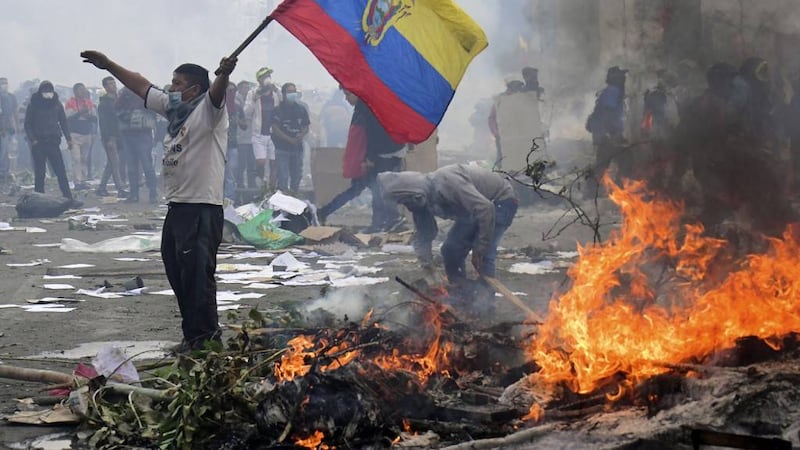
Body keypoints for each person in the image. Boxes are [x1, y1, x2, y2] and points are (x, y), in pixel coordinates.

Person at [81, 49, 237, 351]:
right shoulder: (174, 109)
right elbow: (142, 86)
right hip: (178, 207)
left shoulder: (210, 111)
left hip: (201, 208)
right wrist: (110, 64)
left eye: (177, 83)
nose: (171, 88)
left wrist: (224, 74)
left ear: (194, 89)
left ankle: (204, 339)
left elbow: (217, 93)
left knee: (197, 276)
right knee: (177, 270)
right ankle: (192, 334)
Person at [378, 164, 518, 295]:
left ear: (414, 193)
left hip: (500, 201)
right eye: (402, 203)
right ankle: (461, 296)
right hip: (472, 211)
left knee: (484, 256)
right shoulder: (420, 201)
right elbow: (423, 237)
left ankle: (486, 303)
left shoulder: (448, 182)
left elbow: (486, 209)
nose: (408, 206)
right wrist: (430, 270)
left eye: (405, 201)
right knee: (450, 250)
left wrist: (480, 247)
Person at [316, 89, 405, 233]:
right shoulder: (365, 107)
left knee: (376, 189)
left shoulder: (368, 109)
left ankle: (385, 221)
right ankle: (388, 220)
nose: (346, 99)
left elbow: (372, 134)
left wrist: (369, 158)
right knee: (372, 188)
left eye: (348, 94)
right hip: (382, 154)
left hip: (382, 155)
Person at [23, 81, 81, 206]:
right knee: (40, 173)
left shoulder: (57, 104)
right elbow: (27, 124)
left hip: (53, 142)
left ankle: (68, 198)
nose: (48, 93)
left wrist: (69, 139)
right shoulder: (34, 105)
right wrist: (33, 139)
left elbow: (63, 122)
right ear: (40, 91)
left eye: (50, 90)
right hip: (39, 143)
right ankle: (39, 199)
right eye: (45, 90)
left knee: (61, 171)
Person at [586, 66, 628, 189]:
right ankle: (594, 189)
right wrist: (614, 133)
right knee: (623, 161)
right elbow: (608, 113)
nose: (624, 79)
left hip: (604, 134)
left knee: (604, 163)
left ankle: (592, 189)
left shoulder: (613, 90)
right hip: (607, 135)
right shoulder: (613, 91)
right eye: (622, 77)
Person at [117, 86, 158, 203]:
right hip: (129, 133)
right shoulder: (124, 95)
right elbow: (116, 109)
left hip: (142, 133)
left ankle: (152, 193)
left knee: (146, 165)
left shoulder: (145, 96)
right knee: (132, 167)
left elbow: (153, 111)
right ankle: (135, 194)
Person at [244, 67, 279, 190]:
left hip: (274, 134)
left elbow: (282, 106)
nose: (267, 78)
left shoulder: (276, 92)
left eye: (269, 75)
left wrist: (277, 91)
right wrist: (255, 98)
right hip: (259, 134)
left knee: (274, 163)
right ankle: (261, 182)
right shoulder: (253, 93)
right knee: (261, 162)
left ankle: (272, 188)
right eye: (265, 76)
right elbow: (247, 113)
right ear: (259, 80)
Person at [271, 82, 309, 195]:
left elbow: (306, 126)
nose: (292, 94)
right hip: (282, 148)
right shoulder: (278, 110)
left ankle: (294, 197)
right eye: (289, 92)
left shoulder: (301, 109)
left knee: (296, 175)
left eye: (294, 92)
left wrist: (301, 135)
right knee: (283, 176)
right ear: (283, 93)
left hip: (297, 149)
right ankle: (282, 199)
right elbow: (275, 128)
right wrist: (288, 139)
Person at [96, 76, 127, 197]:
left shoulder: (118, 101)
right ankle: (120, 188)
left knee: (112, 163)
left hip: (120, 135)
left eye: (114, 83)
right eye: (110, 84)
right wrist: (108, 138)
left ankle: (102, 187)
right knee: (115, 163)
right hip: (110, 137)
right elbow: (103, 123)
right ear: (105, 87)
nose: (113, 86)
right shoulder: (104, 103)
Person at [64, 83, 97, 190]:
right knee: (76, 158)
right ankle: (77, 182)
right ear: (75, 91)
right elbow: (68, 117)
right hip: (74, 134)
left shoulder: (89, 102)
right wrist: (80, 112)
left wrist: (87, 115)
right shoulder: (70, 102)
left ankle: (83, 180)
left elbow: (94, 117)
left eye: (84, 89)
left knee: (84, 158)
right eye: (80, 90)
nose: (83, 92)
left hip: (87, 133)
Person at [235, 80, 256, 190]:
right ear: (239, 89)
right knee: (241, 163)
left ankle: (252, 184)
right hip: (241, 137)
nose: (247, 90)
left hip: (252, 137)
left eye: (248, 88)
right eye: (244, 88)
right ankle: (240, 184)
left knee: (252, 163)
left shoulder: (252, 100)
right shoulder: (237, 101)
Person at [0, 77, 19, 184]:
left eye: (5, 83)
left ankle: (9, 171)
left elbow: (15, 111)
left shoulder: (12, 97)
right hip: (2, 128)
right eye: (2, 83)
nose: (4, 85)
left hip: (11, 128)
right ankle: (3, 172)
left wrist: (17, 125)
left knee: (11, 150)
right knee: (3, 150)